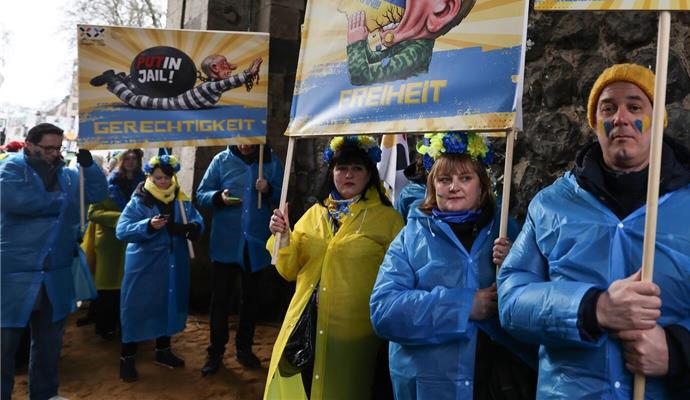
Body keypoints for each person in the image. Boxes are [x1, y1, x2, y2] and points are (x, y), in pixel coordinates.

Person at [498, 64, 690, 399]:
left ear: (658, 121)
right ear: (595, 123)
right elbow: (511, 299)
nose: (621, 118)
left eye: (635, 106)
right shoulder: (550, 205)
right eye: (608, 108)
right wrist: (593, 309)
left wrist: (681, 349)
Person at [371, 131, 537, 399]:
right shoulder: (410, 238)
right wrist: (465, 306)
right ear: (432, 187)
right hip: (429, 386)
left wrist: (516, 268)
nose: (454, 186)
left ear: (481, 187)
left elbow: (537, 302)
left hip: (496, 384)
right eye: (445, 179)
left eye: (465, 178)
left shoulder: (506, 231)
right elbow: (385, 311)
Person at [265, 135, 403, 399]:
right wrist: (282, 236)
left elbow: (399, 279)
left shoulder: (389, 220)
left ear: (369, 173)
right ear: (331, 171)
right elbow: (288, 270)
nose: (348, 175)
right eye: (341, 168)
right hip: (305, 324)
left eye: (357, 168)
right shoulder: (314, 214)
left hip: (355, 335)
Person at [0, 123, 108, 400]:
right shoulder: (11, 169)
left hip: (55, 273)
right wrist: (62, 202)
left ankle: (45, 394)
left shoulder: (70, 176)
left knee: (49, 344)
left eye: (58, 149)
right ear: (29, 144)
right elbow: (17, 202)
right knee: (4, 345)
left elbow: (96, 194)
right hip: (15, 273)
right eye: (48, 148)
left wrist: (89, 167)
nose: (54, 154)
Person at [195, 142, 284, 375]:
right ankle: (215, 351)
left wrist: (269, 190)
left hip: (255, 243)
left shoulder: (271, 161)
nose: (245, 145)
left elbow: (285, 194)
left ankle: (244, 348)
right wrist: (218, 197)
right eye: (241, 139)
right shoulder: (221, 160)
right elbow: (201, 195)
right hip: (226, 242)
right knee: (220, 300)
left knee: (251, 299)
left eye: (250, 140)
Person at [115, 153, 203, 382]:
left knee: (167, 304)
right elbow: (122, 230)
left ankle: (163, 351)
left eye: (166, 177)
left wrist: (193, 226)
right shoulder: (140, 200)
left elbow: (196, 219)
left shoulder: (181, 200)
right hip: (144, 265)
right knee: (136, 308)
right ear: (149, 177)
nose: (162, 182)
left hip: (174, 263)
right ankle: (127, 358)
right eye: (157, 178)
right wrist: (148, 225)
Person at [344, 0, 482, 85]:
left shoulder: (416, 53)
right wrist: (362, 41)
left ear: (442, 11)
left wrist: (356, 45)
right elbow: (377, 59)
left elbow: (361, 76)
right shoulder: (409, 44)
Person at [87, 148, 145, 340]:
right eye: (126, 158)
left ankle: (127, 327)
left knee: (131, 287)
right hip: (110, 243)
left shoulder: (147, 185)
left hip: (136, 242)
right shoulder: (107, 184)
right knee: (108, 288)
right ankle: (105, 327)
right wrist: (122, 218)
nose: (130, 161)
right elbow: (93, 213)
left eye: (133, 158)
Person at [90, 55, 262, 110]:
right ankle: (112, 78)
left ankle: (123, 80)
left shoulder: (211, 85)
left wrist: (246, 76)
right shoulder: (211, 86)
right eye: (224, 65)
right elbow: (227, 83)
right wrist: (248, 73)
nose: (229, 68)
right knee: (136, 101)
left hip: (174, 99)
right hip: (171, 103)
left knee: (141, 94)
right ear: (215, 68)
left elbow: (230, 83)